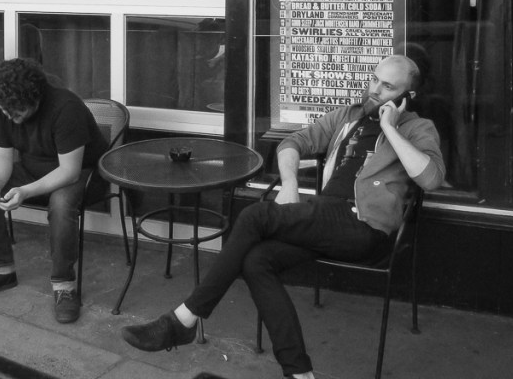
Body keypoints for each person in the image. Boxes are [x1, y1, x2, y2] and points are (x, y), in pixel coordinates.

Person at [121, 54, 445, 379]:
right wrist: (290, 182)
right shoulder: (349, 116)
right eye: (374, 79)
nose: (375, 89)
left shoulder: (418, 128)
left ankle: (182, 320)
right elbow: (293, 142)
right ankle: (299, 374)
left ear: (407, 97)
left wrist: (390, 127)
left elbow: (430, 178)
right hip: (326, 221)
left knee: (254, 217)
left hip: (366, 227)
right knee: (257, 261)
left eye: (388, 86)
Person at [0, 58, 109, 324]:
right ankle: (0, 270)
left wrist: (24, 191)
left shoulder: (66, 107)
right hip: (32, 169)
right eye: (5, 111)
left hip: (82, 175)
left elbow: (69, 171)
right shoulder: (3, 108)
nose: (9, 116)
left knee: (61, 204)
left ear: (34, 97)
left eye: (16, 112)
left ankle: (64, 287)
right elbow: (2, 157)